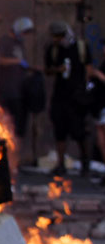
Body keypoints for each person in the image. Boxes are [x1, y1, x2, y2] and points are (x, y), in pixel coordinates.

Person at [44, 21, 92, 176]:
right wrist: (58, 69)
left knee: (79, 131)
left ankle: (85, 164)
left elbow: (88, 69)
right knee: (60, 130)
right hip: (60, 96)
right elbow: (48, 69)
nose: (58, 39)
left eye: (60, 36)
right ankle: (61, 164)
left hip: (77, 97)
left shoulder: (80, 47)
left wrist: (86, 89)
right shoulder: (53, 49)